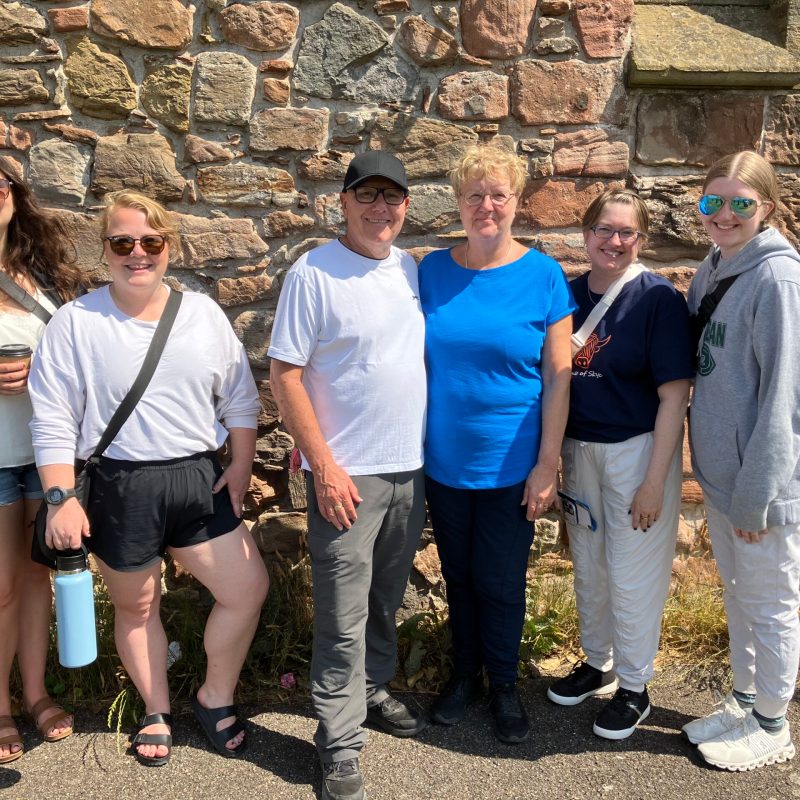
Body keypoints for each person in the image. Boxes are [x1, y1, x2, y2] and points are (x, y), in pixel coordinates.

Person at [27, 191, 268, 766]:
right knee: (137, 609)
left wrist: (239, 463)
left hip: (196, 479)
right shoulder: (76, 321)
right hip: (119, 486)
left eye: (151, 242)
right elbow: (53, 416)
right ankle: (155, 709)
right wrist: (60, 497)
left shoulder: (203, 314)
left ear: (168, 247)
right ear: (104, 249)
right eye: (123, 242)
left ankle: (215, 696)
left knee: (246, 589)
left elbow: (238, 397)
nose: (138, 253)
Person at [269, 151, 427, 800]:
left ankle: (371, 689)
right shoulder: (313, 273)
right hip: (345, 479)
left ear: (406, 207)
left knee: (383, 602)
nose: (379, 208)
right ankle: (337, 743)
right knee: (341, 618)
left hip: (410, 472)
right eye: (367, 195)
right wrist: (322, 465)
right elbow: (286, 375)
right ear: (343, 202)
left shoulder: (412, 269)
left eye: (392, 197)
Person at [420, 144, 574, 744]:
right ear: (459, 203)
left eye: (498, 195)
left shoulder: (542, 275)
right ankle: (465, 678)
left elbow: (559, 377)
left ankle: (506, 686)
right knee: (459, 575)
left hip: (514, 465)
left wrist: (547, 465)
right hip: (443, 461)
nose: (487, 205)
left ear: (516, 202)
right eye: (474, 195)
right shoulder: (430, 271)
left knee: (503, 581)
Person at [546, 189, 693, 741]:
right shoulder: (566, 294)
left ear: (641, 239)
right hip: (580, 449)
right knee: (590, 563)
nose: (614, 241)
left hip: (637, 452)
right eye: (604, 230)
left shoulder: (656, 299)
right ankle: (598, 662)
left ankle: (636, 686)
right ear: (586, 234)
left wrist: (655, 482)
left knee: (633, 572)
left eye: (626, 233)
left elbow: (674, 396)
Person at [682, 151, 800, 771]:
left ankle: (774, 723)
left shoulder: (778, 280)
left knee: (771, 601)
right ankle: (745, 699)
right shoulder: (716, 265)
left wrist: (758, 491)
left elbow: (784, 398)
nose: (723, 214)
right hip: (726, 479)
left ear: (768, 208)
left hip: (762, 487)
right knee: (738, 595)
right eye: (712, 202)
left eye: (739, 203)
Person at [0, 163, 83, 764]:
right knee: (1, 588)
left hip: (45, 456)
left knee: (35, 579)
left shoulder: (41, 272)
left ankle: (33, 694)